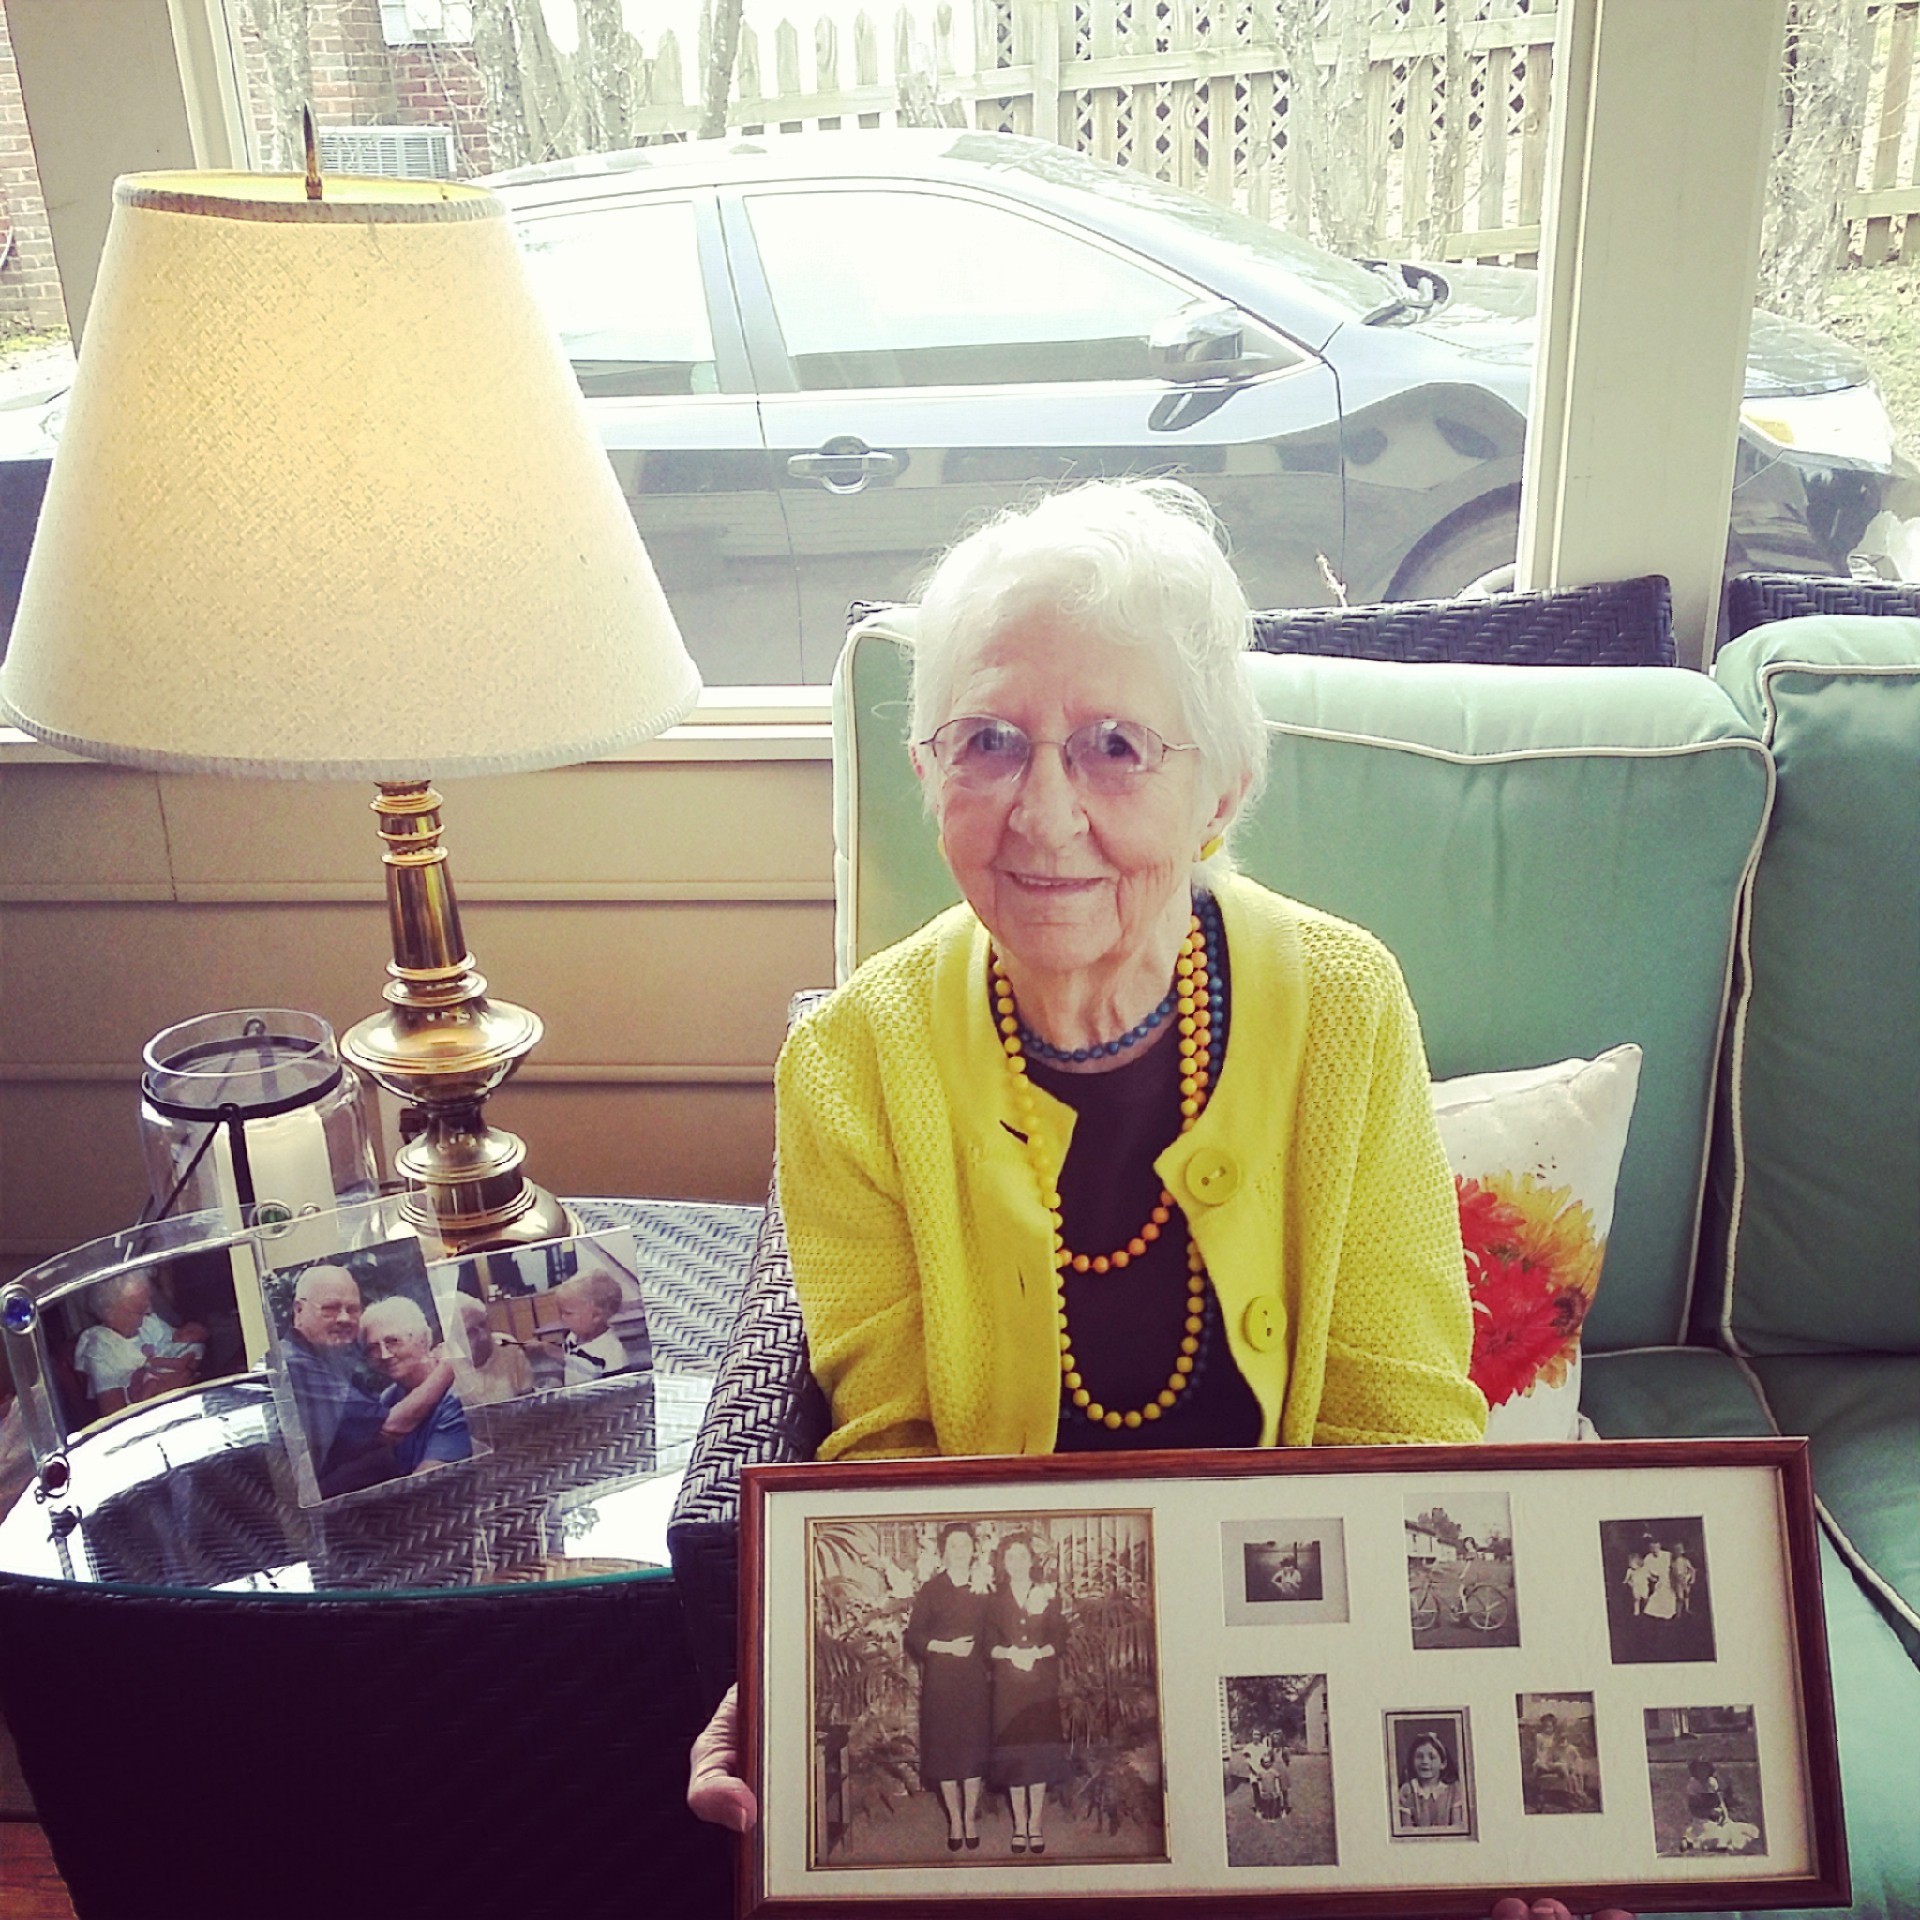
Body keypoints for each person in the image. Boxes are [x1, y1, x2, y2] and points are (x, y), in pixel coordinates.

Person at [685, 479, 1632, 1920]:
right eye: (987, 742)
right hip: (1022, 1707)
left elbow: (1397, 1419)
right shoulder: (854, 1060)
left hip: (1304, 1673)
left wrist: (1453, 1784)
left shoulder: (1342, 1003)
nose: (1043, 811)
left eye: (1115, 747)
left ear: (1222, 792)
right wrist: (829, 1669)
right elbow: (891, 1454)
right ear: (929, 772)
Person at [281, 1265, 451, 1498]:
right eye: (330, 1308)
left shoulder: (328, 1361)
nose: (344, 1318)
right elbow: (388, 1428)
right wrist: (450, 1366)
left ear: (423, 1339)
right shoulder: (294, 1364)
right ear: (298, 1310)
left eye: (352, 1309)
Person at [902, 1523, 992, 1852]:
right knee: (945, 1751)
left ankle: (969, 1818)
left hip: (975, 1681)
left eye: (965, 1544)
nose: (960, 1551)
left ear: (974, 1549)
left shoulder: (984, 1587)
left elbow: (997, 1634)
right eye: (953, 1545)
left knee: (972, 1750)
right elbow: (914, 1636)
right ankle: (954, 1819)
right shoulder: (932, 1589)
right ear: (944, 1551)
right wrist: (945, 1647)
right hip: (941, 1681)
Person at [985, 1532, 1066, 1854]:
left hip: (1040, 1687)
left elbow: (1060, 1639)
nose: (1017, 1562)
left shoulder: (1047, 1595)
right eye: (1010, 1556)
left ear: (1032, 1560)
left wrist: (1038, 1652)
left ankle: (1036, 1824)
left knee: (1038, 1756)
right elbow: (987, 1643)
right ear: (1002, 1562)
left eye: (1022, 1555)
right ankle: (1019, 1825)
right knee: (1015, 1757)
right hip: (1008, 1690)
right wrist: (1009, 1654)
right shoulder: (993, 1600)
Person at [360, 1295, 473, 1472]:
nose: (384, 1354)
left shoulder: (458, 1394)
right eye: (373, 1348)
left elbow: (431, 1476)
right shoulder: (390, 1398)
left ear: (424, 1339)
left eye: (393, 1341)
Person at [72, 1272, 206, 1415]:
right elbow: (115, 1414)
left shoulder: (150, 1323)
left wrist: (189, 1368)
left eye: (147, 1302)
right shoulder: (101, 1347)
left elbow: (188, 1345)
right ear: (110, 1312)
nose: (149, 1310)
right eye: (139, 1309)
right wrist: (168, 1387)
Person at [445, 1292, 536, 1406]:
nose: (484, 1336)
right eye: (471, 1332)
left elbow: (529, 1402)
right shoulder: (446, 1365)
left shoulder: (508, 1347)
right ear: (454, 1338)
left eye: (483, 1325)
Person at [546, 1268, 630, 1386]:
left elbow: (619, 1392)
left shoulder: (612, 1354)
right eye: (561, 1312)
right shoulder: (572, 1337)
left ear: (596, 1315)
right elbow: (570, 1362)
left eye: (568, 1313)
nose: (562, 1318)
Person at [1680, 1757, 1760, 1853]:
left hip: (1716, 1817)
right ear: (1695, 1771)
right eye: (1699, 1769)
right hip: (1702, 1818)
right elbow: (1694, 1809)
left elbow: (1719, 1801)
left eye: (1705, 1769)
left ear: (1709, 1770)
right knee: (1706, 1831)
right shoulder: (1693, 1785)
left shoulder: (1711, 1782)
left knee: (1731, 1829)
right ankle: (1694, 1843)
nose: (1702, 1772)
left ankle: (1715, 1843)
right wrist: (1709, 1812)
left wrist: (1724, 1816)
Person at [1396, 1730, 1468, 1833]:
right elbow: (1407, 1830)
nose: (1425, 1762)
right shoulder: (1407, 1791)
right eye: (1419, 1757)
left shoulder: (1454, 1790)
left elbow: (1456, 1827)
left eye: (1432, 1757)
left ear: (1443, 1763)